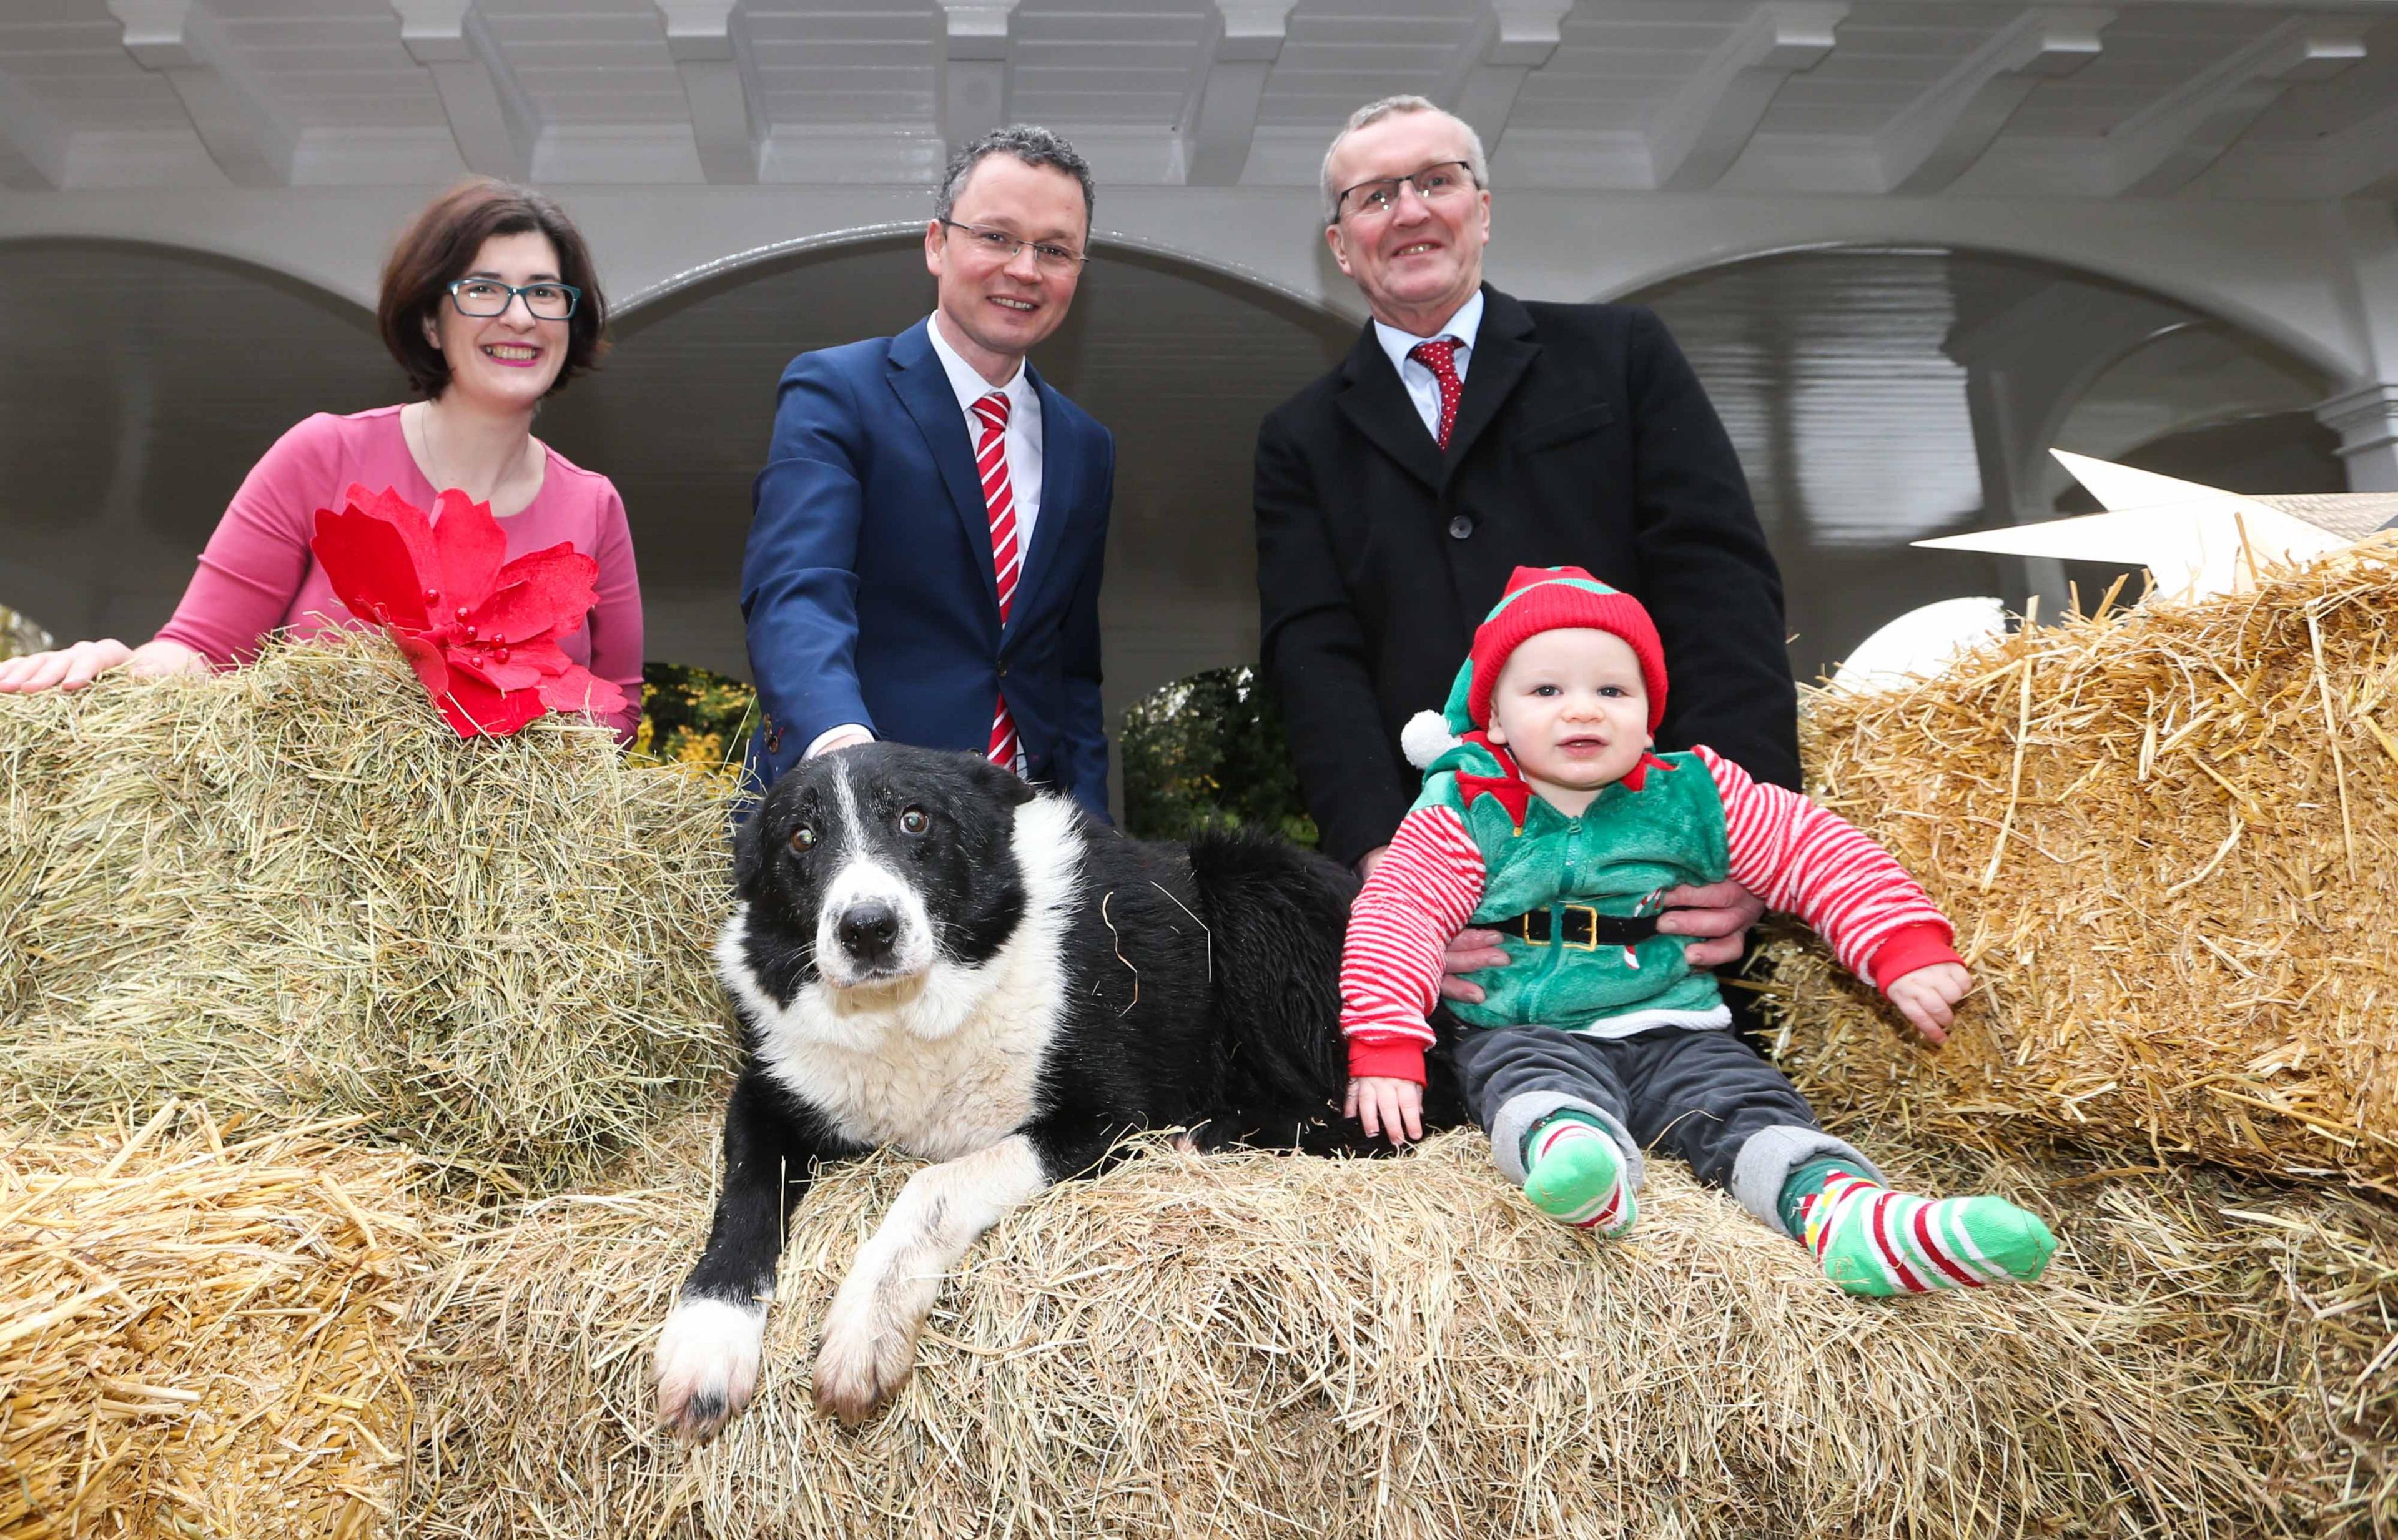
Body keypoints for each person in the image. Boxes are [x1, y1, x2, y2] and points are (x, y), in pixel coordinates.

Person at [1338, 566, 2056, 1297]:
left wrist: (1899, 947)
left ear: (1651, 717)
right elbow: (1399, 914)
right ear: (1492, 718)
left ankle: (1856, 1219)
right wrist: (1386, 1046)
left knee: (1748, 1105)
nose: (1581, 711)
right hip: (1528, 1027)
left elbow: (1813, 849)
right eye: (1547, 691)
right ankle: (1581, 1167)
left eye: (1612, 691)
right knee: (1528, 1088)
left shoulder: (1695, 794)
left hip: (1679, 1027)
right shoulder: (1468, 810)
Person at [1254, 94, 1795, 992]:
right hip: (1458, 888)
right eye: (1375, 195)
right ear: (1341, 245)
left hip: (1662, 878)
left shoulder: (1622, 355)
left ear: (1484, 209)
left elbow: (1718, 584)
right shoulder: (1298, 439)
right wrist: (1381, 860)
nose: (1412, 211)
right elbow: (1313, 653)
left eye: (1437, 181)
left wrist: (1751, 835)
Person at [0, 179, 645, 742]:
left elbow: (615, 710)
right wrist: (119, 666)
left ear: (570, 319)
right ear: (430, 321)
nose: (518, 316)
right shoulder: (324, 455)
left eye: (545, 293)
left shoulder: (594, 505)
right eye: (482, 289)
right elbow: (201, 651)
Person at [741, 126, 1114, 817]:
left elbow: (1071, 674)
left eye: (1054, 250)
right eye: (997, 237)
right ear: (937, 244)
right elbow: (798, 590)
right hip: (856, 819)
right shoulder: (836, 390)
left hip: (1028, 844)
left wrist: (1097, 849)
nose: (1025, 270)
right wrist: (842, 751)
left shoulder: (1087, 447)